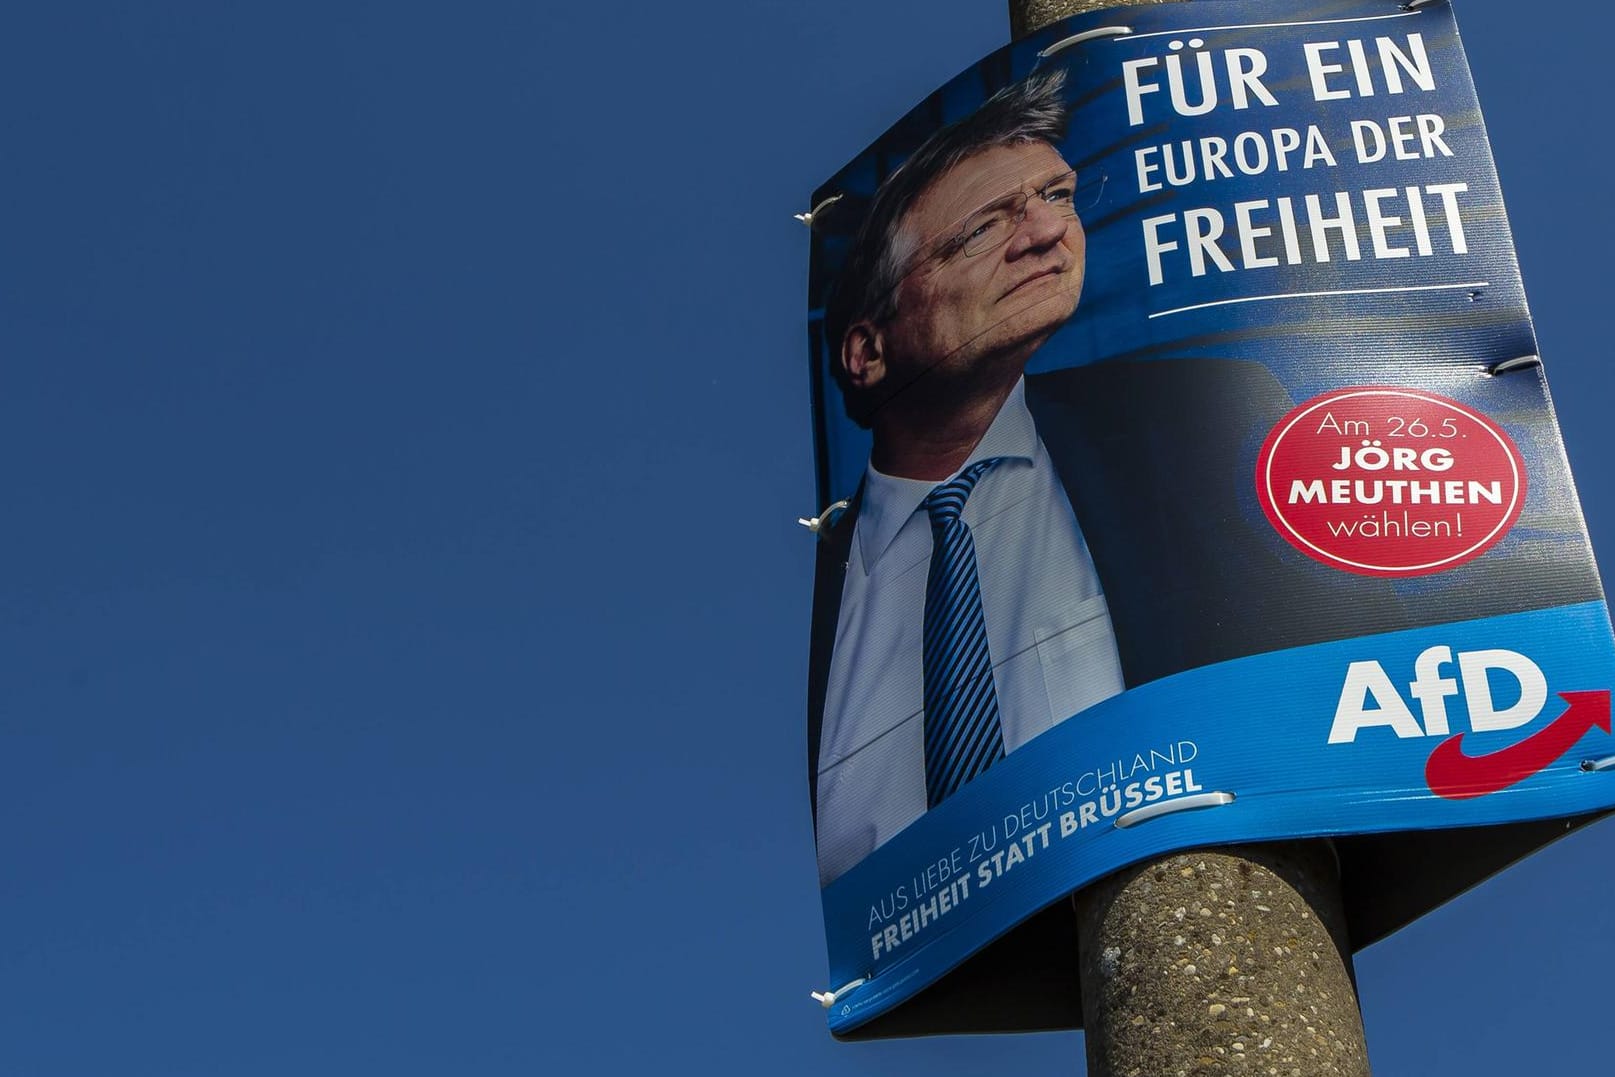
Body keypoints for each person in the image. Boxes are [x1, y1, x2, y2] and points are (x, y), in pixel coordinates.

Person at [806, 70, 1603, 887]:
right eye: (980, 230)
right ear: (867, 351)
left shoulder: (1203, 415)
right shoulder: (825, 609)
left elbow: (1365, 695)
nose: (1047, 233)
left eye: (1057, 194)